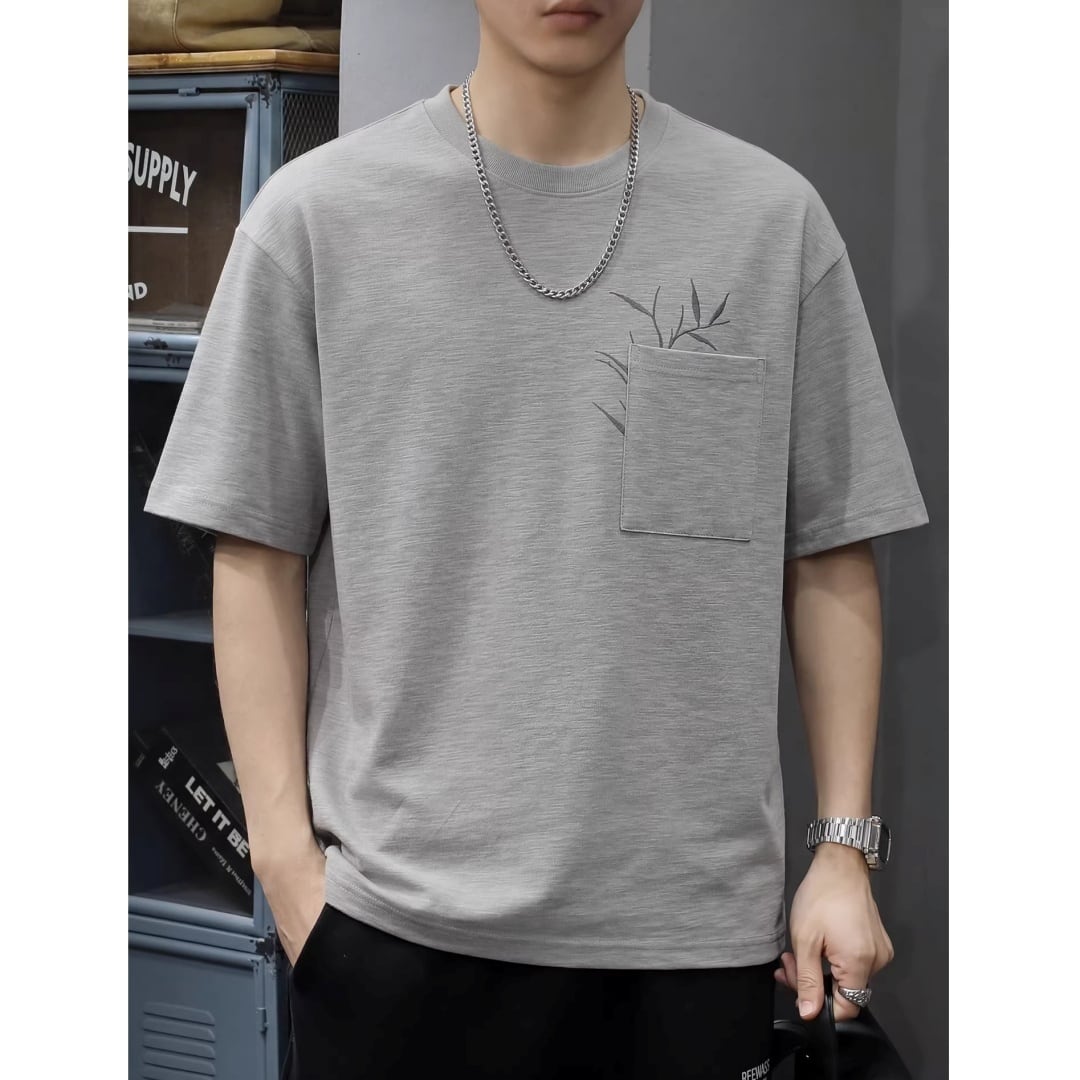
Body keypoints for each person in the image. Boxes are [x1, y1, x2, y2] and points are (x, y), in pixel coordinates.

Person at [143, 1, 930, 1076]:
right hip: (396, 942)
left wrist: (845, 850)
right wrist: (287, 871)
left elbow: (829, 547)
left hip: (689, 950)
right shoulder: (318, 220)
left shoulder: (770, 222)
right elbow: (255, 551)